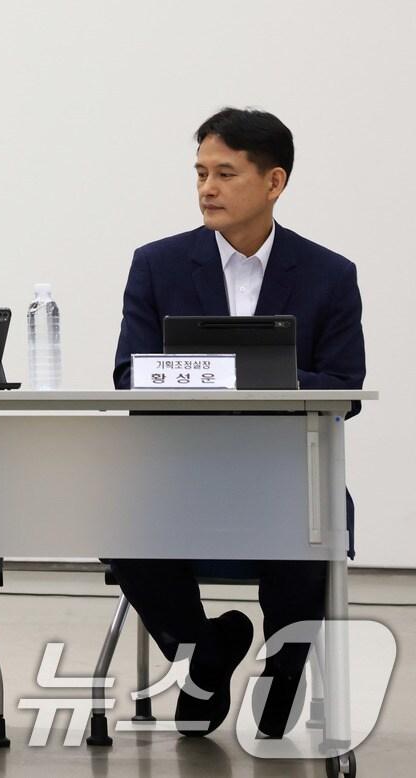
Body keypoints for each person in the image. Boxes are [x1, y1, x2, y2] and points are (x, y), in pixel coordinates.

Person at [111, 107, 365, 738]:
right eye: (200, 172)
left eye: (225, 173)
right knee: (119, 529)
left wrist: (255, 375)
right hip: (184, 477)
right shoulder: (157, 265)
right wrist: (217, 375)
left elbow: (347, 388)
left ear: (274, 182)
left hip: (288, 476)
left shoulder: (330, 275)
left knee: (311, 533)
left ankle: (284, 677)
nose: (207, 188)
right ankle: (202, 660)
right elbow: (129, 375)